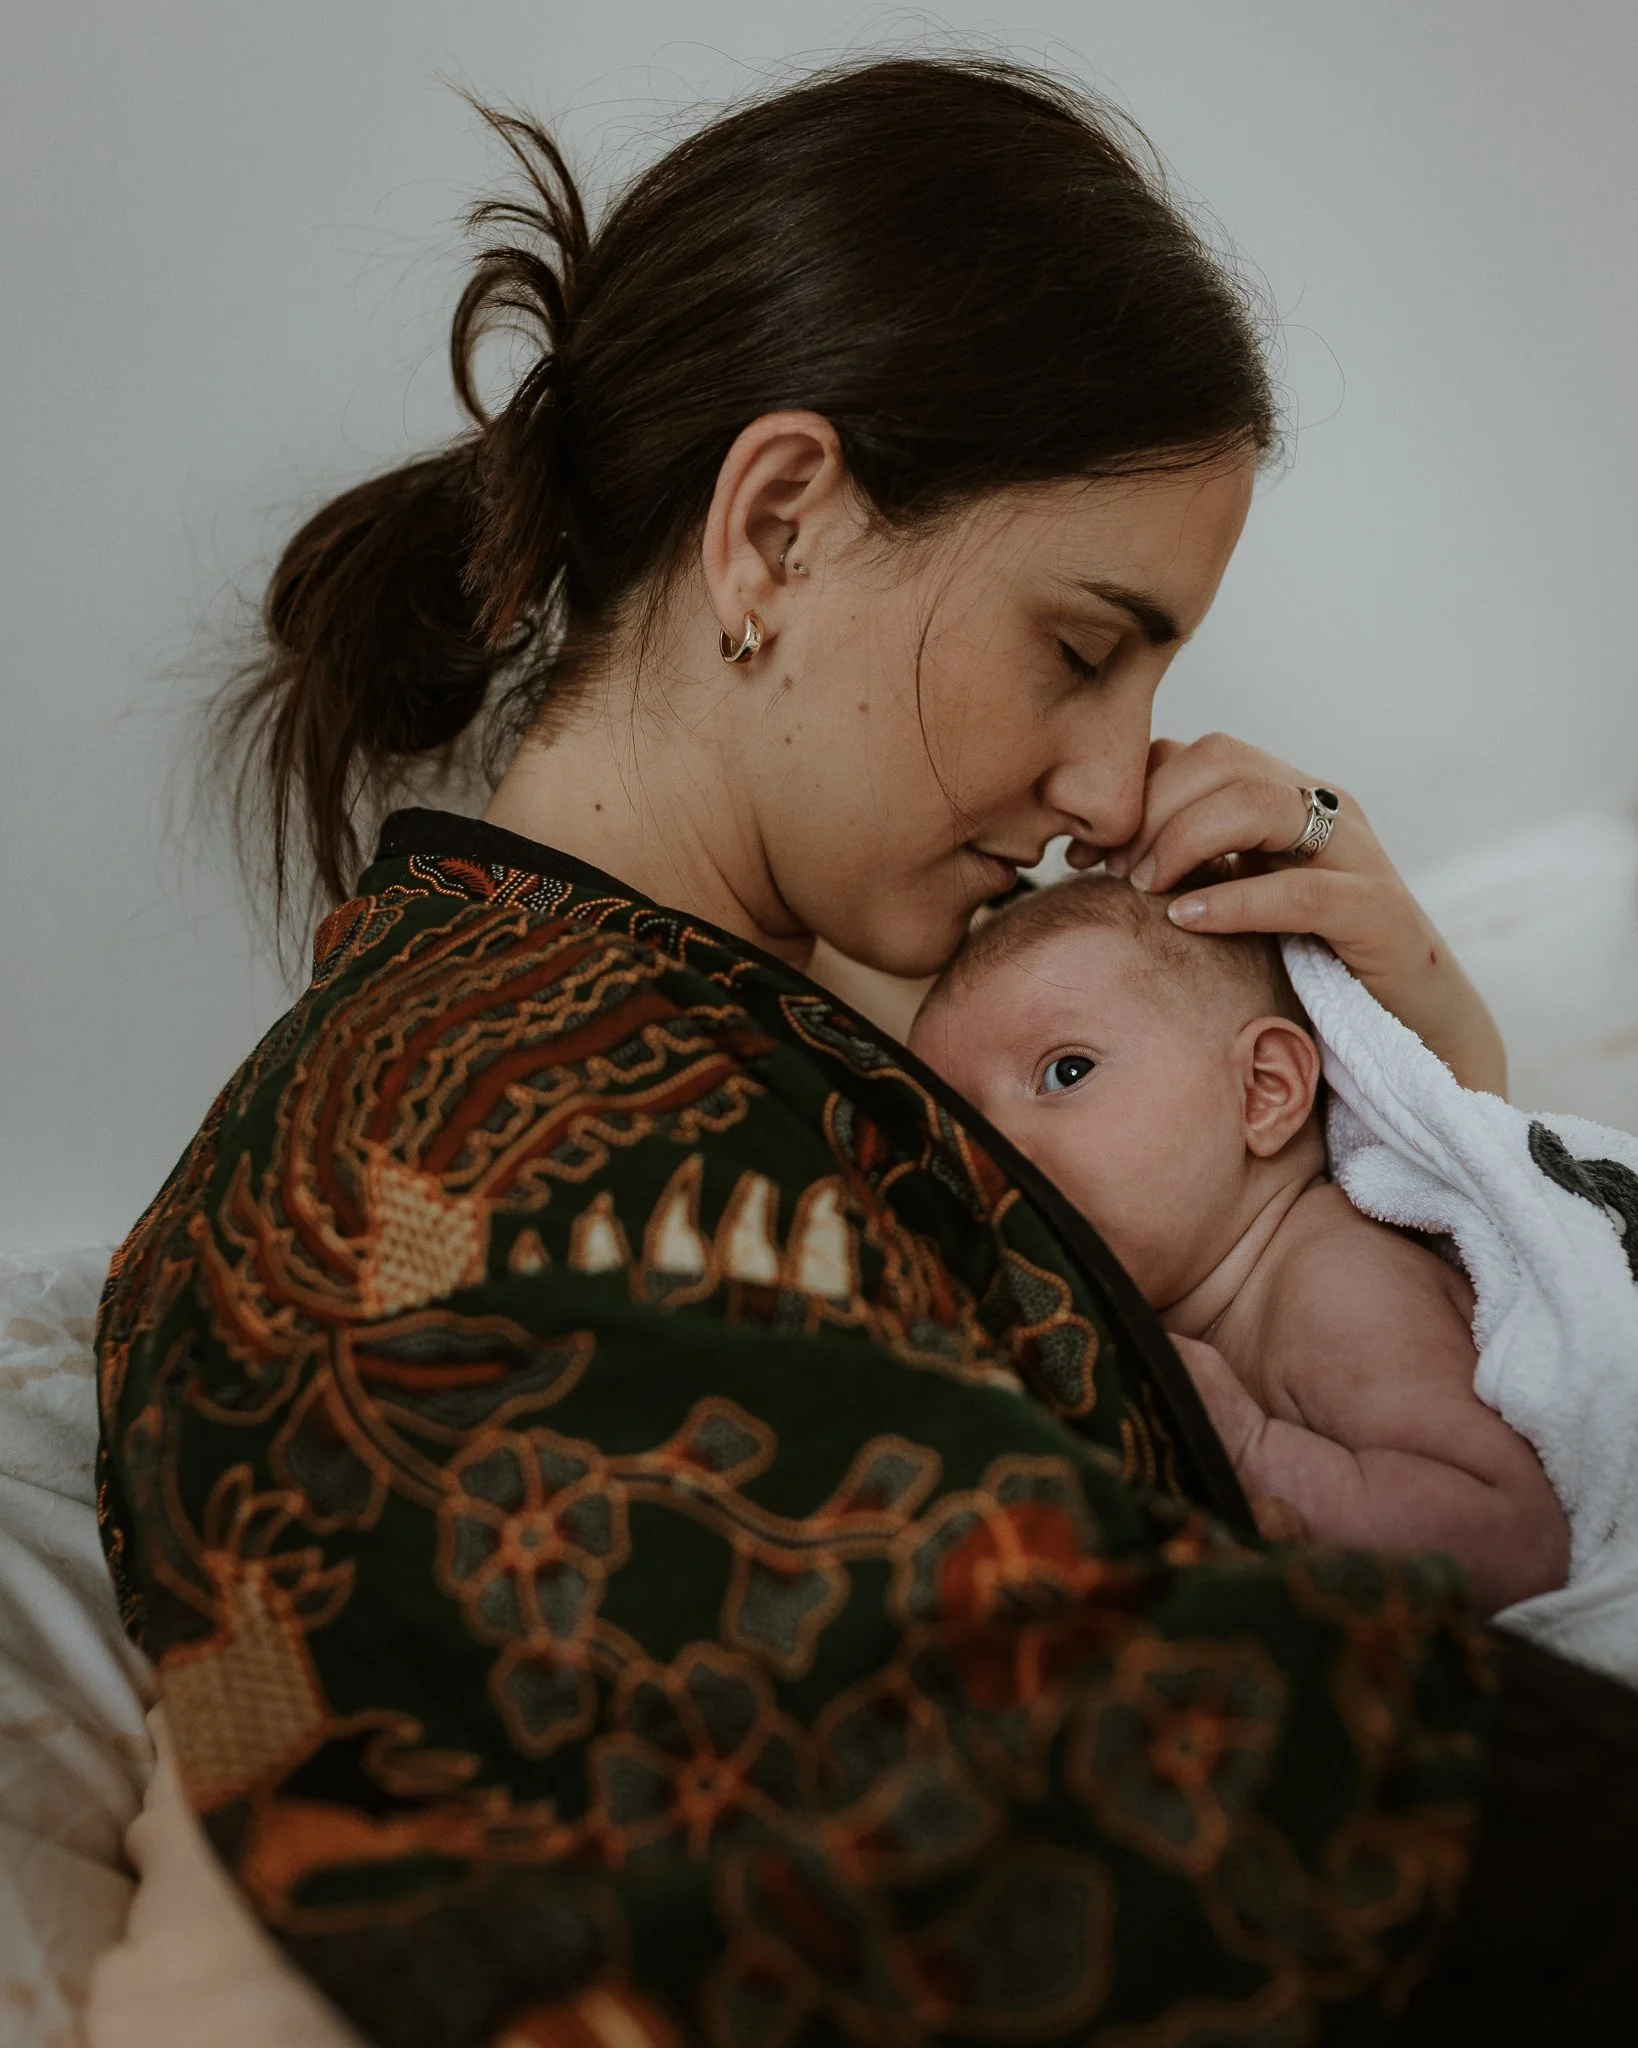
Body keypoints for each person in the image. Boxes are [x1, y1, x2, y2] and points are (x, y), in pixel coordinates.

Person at [93, 54, 1638, 2048]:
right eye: (1082, 648)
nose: (1107, 781)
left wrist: (1434, 1074)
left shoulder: (674, 1037)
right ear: (779, 527)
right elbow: (1027, 1753)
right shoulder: (467, 1107)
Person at [907, 874, 1570, 1613]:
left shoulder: (1334, 1284)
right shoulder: (1178, 1309)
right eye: (957, 1135)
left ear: (1264, 1088)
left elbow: (1514, 1541)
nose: (989, 1161)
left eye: (1065, 1072)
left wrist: (1253, 1451)